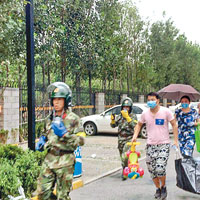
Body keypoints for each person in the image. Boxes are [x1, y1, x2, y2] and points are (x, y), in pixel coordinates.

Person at [34, 82, 85, 200]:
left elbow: (81, 140)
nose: (56, 102)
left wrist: (65, 134)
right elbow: (45, 134)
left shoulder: (74, 119)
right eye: (54, 99)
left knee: (63, 196)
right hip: (49, 159)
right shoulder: (49, 119)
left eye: (59, 99)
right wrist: (42, 140)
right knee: (42, 193)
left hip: (65, 161)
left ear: (66, 101)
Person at [132, 92, 178, 200]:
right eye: (148, 100)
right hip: (150, 145)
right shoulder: (145, 113)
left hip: (164, 144)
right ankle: (158, 188)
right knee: (152, 170)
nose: (150, 102)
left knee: (160, 168)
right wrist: (135, 135)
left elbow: (174, 124)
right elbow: (139, 124)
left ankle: (164, 186)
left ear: (158, 100)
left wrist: (175, 140)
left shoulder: (165, 111)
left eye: (152, 99)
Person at [110, 97, 137, 180]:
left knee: (124, 156)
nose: (126, 109)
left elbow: (135, 126)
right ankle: (125, 169)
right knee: (121, 155)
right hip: (120, 138)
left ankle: (125, 172)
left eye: (127, 107)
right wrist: (113, 120)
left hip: (129, 138)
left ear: (130, 108)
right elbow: (113, 126)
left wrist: (128, 118)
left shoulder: (133, 116)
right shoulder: (120, 116)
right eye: (124, 107)